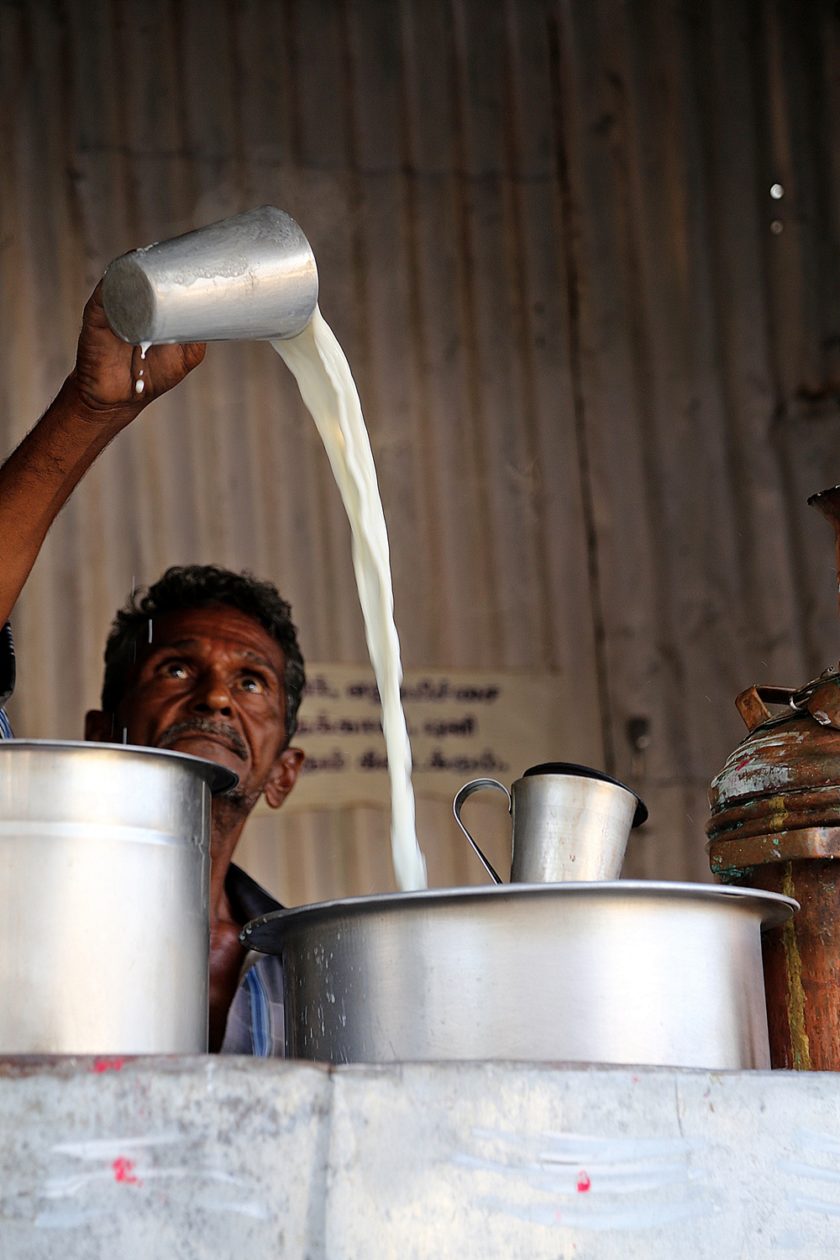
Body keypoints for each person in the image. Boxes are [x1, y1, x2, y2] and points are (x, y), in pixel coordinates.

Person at [0, 286, 305, 1053]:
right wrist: (91, 408)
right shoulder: (21, 897)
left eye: (251, 682)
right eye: (174, 668)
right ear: (104, 733)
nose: (214, 697)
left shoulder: (311, 970)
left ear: (284, 773)